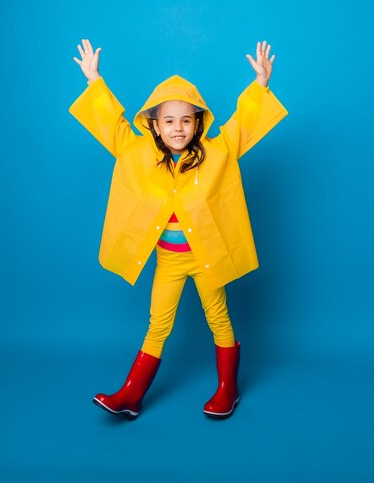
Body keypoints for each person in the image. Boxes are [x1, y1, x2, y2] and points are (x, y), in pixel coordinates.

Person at [69, 38, 288, 419]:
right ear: (154, 124)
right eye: (169, 121)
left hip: (207, 258)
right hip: (168, 261)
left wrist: (261, 86)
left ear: (198, 123)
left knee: (218, 317)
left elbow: (243, 125)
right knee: (157, 326)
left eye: (186, 120)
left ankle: (227, 390)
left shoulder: (218, 153)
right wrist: (93, 83)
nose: (177, 128)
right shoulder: (137, 153)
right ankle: (131, 395)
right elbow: (113, 128)